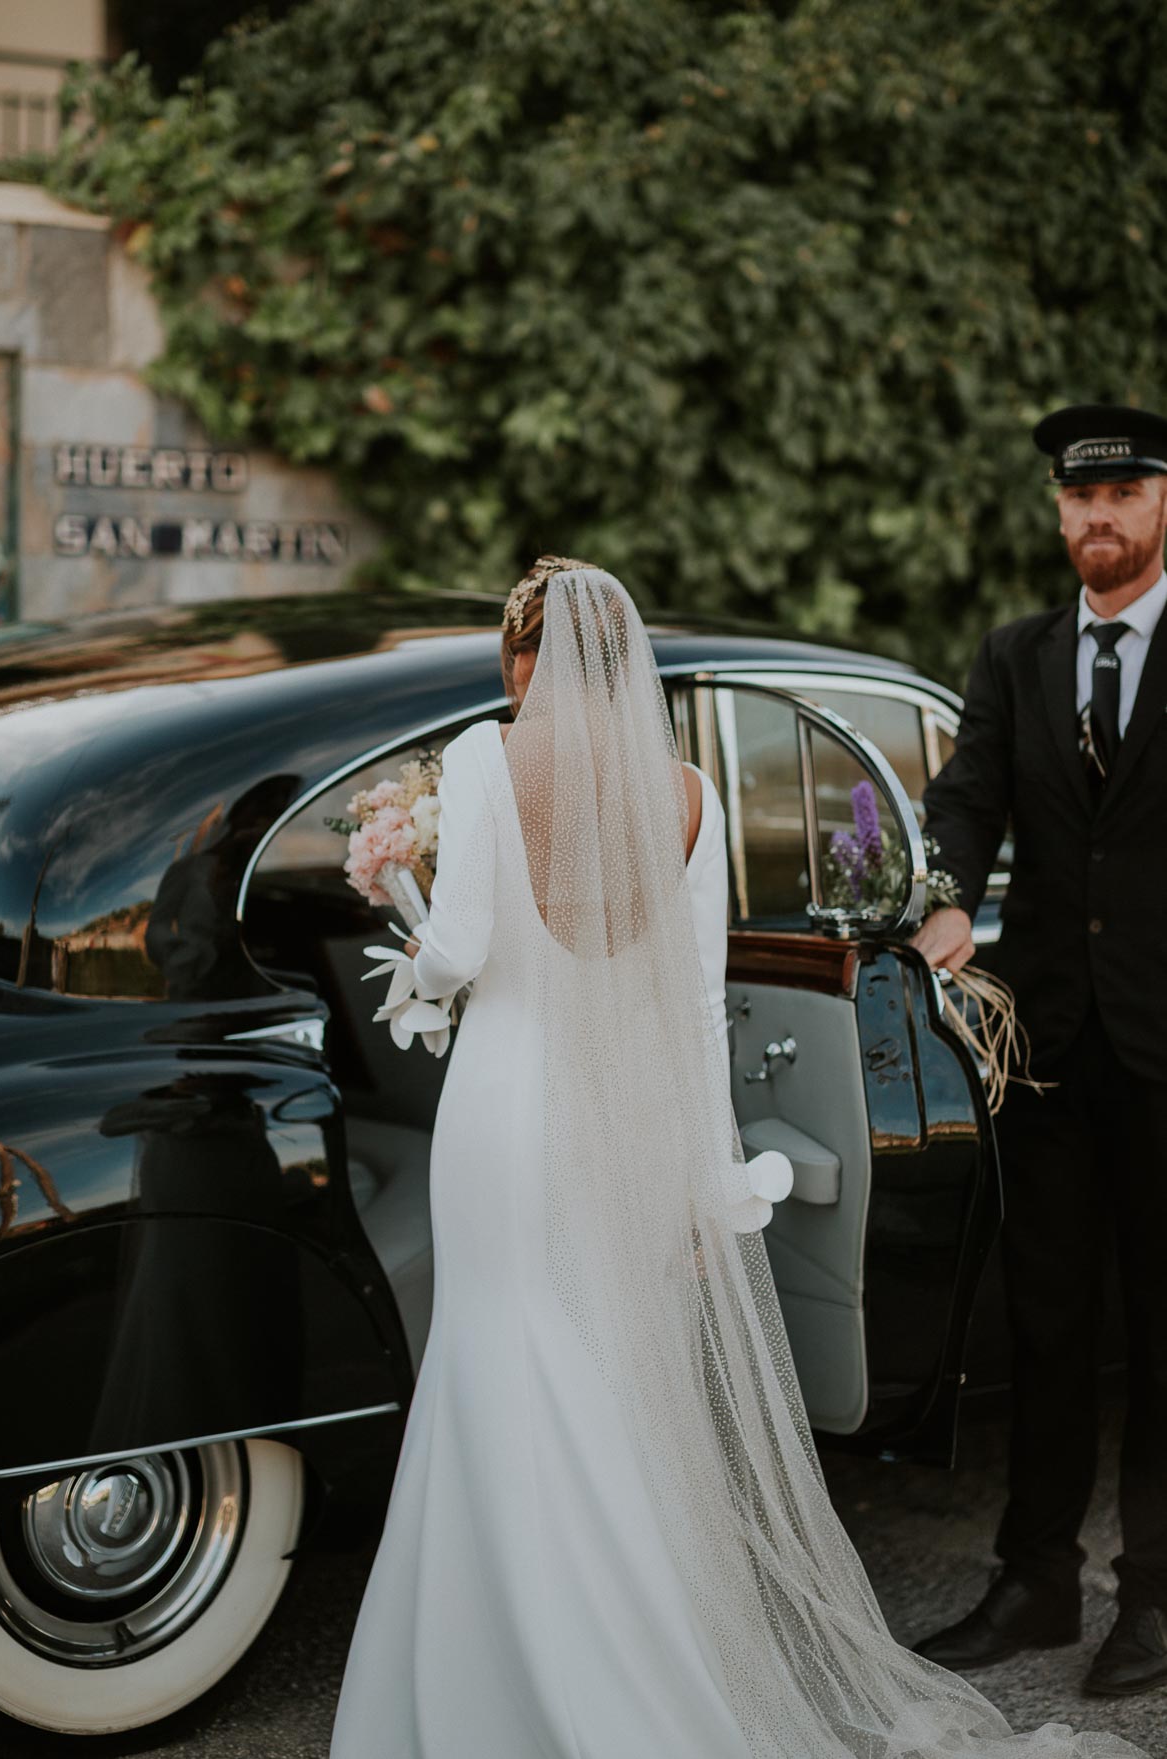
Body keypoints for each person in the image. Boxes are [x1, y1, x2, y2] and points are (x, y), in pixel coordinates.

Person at [330, 557, 1146, 1757]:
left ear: (523, 662)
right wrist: (705, 1174)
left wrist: (401, 895)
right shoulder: (692, 795)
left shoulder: (485, 762)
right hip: (622, 1134)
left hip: (505, 1118)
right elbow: (700, 1007)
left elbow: (453, 960)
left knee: (494, 1364)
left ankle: (489, 1678)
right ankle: (637, 1661)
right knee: (609, 1387)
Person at [911, 404, 1167, 1698]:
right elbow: (963, 793)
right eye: (1076, 501)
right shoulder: (1016, 654)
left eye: (1118, 496)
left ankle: (1158, 1600)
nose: (1094, 522)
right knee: (1048, 1322)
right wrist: (945, 888)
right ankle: (1035, 1579)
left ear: (1163, 503)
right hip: (1050, 1046)